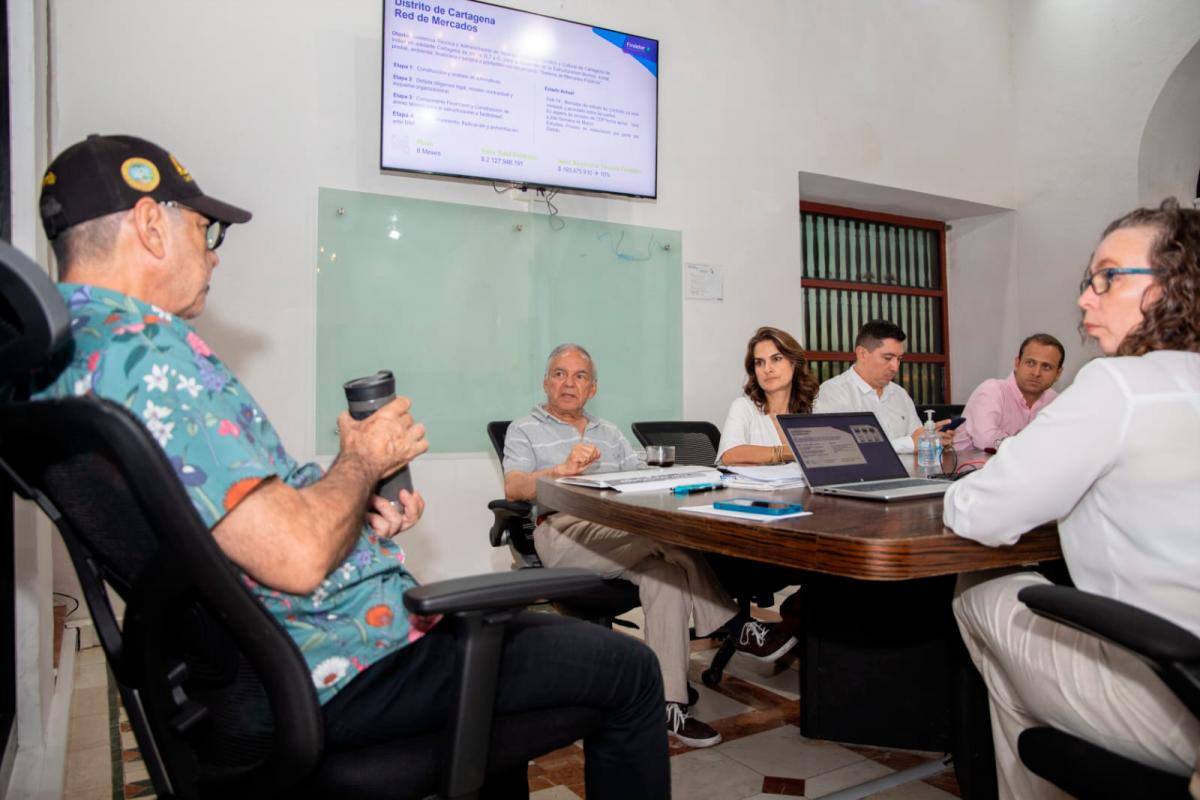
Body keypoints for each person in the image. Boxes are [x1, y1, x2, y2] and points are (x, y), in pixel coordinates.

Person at [33, 134, 669, 797]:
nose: (214, 252)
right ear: (149, 226)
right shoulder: (154, 358)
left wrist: (352, 507)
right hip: (346, 662)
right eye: (204, 229)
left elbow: (235, 527)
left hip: (261, 671)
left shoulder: (70, 364)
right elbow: (297, 557)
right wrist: (364, 459)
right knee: (629, 672)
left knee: (529, 698)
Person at [944, 199, 1200, 799]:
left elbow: (982, 513)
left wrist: (964, 491)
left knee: (978, 589)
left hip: (1172, 697)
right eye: (1088, 280)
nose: (1085, 298)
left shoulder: (1120, 384)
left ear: (1175, 286)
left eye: (1108, 277)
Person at [503, 343, 798, 748]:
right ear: (545, 382)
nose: (569, 383)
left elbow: (637, 477)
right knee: (666, 541)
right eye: (559, 373)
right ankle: (737, 627)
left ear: (592, 388)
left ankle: (668, 706)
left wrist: (671, 474)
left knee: (667, 575)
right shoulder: (525, 428)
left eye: (580, 376)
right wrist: (560, 470)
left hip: (621, 532)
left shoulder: (609, 432)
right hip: (563, 531)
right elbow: (514, 487)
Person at [813, 319, 953, 453]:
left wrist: (933, 440)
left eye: (899, 359)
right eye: (888, 358)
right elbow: (841, 451)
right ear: (862, 354)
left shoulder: (900, 394)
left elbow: (917, 439)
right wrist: (908, 444)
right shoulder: (833, 393)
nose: (895, 367)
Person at [716, 326, 819, 466]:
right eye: (759, 363)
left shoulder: (814, 410)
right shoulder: (744, 407)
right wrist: (787, 452)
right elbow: (729, 455)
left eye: (776, 359)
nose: (767, 369)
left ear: (794, 363)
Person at [953, 333, 1064, 451]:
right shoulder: (992, 390)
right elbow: (986, 441)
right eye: (1030, 363)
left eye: (1046, 367)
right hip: (967, 462)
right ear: (1017, 363)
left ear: (1058, 373)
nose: (1036, 373)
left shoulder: (1057, 401)